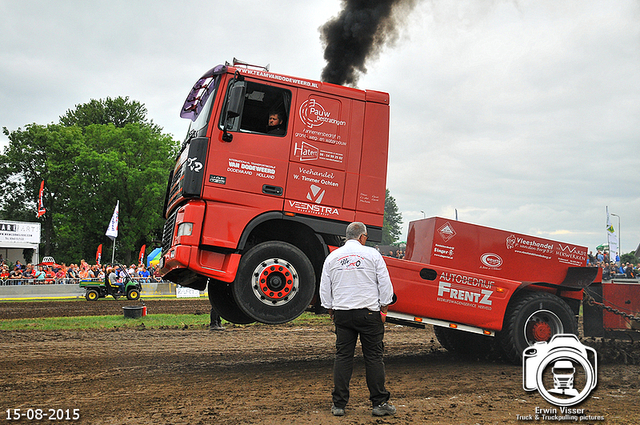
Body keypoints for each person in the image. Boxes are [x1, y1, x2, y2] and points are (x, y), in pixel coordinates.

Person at [319, 221, 396, 417]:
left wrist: (331, 310)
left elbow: (325, 288)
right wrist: (384, 309)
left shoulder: (333, 257)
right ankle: (379, 403)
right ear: (362, 237)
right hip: (369, 313)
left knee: (343, 357)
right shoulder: (372, 254)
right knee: (373, 358)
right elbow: (385, 284)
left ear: (347, 237)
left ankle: (339, 405)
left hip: (343, 313)